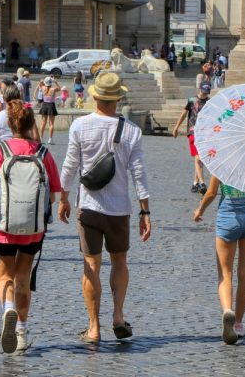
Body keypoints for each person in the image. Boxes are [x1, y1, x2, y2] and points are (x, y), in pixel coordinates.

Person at [58, 72, 151, 344]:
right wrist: (145, 211)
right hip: (119, 208)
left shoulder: (79, 126)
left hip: (88, 206)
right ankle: (118, 317)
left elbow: (69, 166)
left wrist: (63, 198)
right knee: (119, 260)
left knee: (91, 264)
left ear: (95, 96)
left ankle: (94, 327)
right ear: (118, 98)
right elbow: (139, 174)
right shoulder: (132, 130)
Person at [0, 99, 61, 353]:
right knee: (24, 277)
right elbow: (53, 192)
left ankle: (8, 309)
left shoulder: (0, 149)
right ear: (30, 124)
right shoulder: (43, 153)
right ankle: (22, 332)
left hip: (4, 224)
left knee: (5, 274)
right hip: (34, 226)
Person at [193, 176, 245, 344]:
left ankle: (227, 311)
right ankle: (238, 324)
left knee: (225, 273)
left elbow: (211, 192)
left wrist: (199, 210)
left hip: (228, 216)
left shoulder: (223, 165)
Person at [172, 80, 212, 194]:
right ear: (200, 89)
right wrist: (176, 127)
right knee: (198, 158)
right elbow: (184, 114)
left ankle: (195, 183)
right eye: (204, 91)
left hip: (205, 134)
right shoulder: (191, 100)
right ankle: (203, 184)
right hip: (193, 132)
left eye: (207, 92)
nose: (205, 94)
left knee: (199, 159)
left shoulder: (210, 102)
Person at [39, 76, 60, 144]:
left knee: (43, 123)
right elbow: (59, 88)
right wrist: (55, 81)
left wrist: (42, 81)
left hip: (44, 105)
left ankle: (41, 138)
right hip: (51, 105)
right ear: (51, 83)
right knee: (51, 124)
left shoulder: (43, 88)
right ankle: (50, 139)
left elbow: (40, 84)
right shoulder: (53, 89)